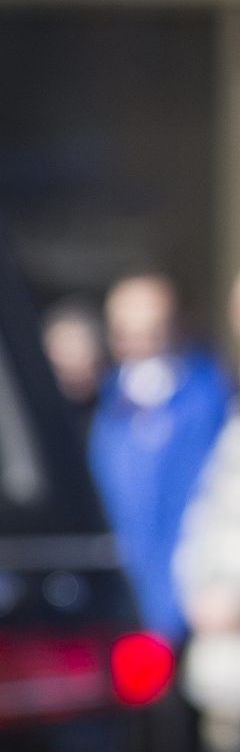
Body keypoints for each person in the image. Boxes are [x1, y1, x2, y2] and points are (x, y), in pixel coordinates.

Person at [89, 270, 228, 643]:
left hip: (191, 599)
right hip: (119, 602)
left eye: (153, 330)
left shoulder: (208, 401)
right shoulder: (104, 407)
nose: (142, 344)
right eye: (128, 333)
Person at [40, 295, 106, 439]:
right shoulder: (34, 412)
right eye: (63, 354)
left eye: (81, 356)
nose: (71, 367)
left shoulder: (119, 412)